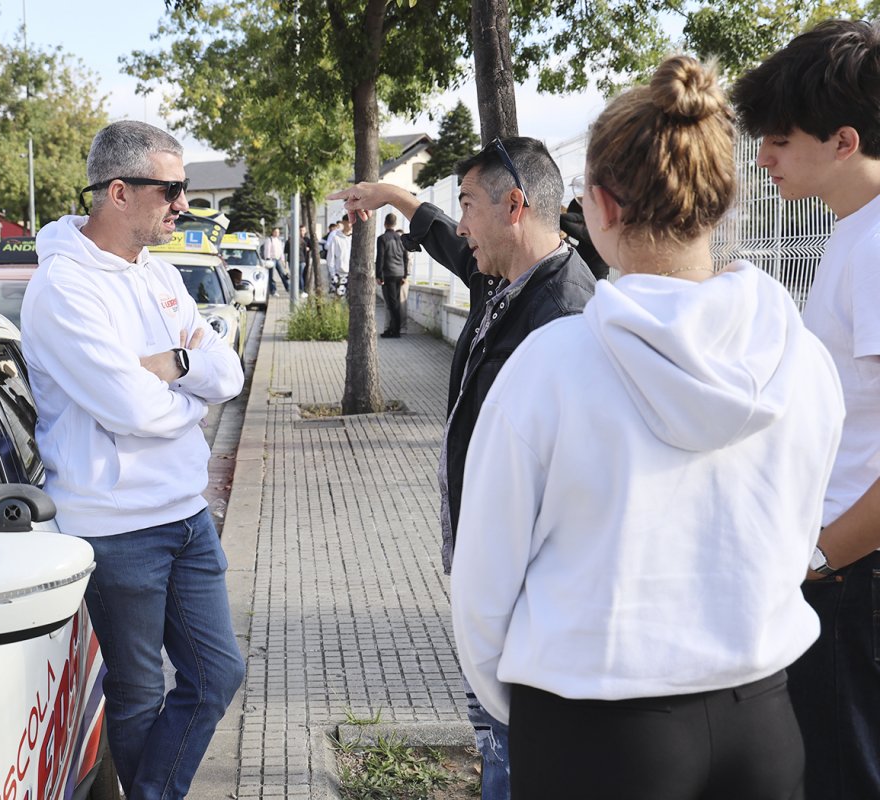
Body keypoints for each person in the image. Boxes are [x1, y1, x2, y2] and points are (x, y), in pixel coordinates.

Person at [451, 56, 844, 800]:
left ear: (597, 204)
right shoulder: (799, 358)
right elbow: (797, 536)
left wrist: (529, 709)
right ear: (723, 203)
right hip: (761, 718)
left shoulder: (550, 367)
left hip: (593, 728)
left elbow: (483, 590)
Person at [331, 135, 596, 798]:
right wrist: (391, 194)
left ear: (514, 206)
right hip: (494, 575)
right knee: (493, 738)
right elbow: (447, 238)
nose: (462, 225)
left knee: (513, 751)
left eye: (470, 206)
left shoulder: (565, 315)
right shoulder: (507, 274)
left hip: (530, 594)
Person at [19, 120, 246, 800]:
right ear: (119, 192)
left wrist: (173, 364)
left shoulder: (162, 275)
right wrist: (190, 398)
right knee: (139, 691)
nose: (184, 204)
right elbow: (132, 411)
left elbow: (226, 371)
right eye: (171, 190)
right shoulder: (64, 290)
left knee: (218, 674)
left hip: (185, 513)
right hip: (115, 528)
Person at [733, 20, 880, 799]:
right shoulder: (852, 235)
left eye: (780, 141)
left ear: (845, 141)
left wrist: (819, 557)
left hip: (855, 578)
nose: (762, 159)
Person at [375, 212, 409, 337]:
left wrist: (379, 275)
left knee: (392, 304)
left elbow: (381, 257)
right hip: (399, 274)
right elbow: (405, 258)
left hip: (388, 274)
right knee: (394, 303)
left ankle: (395, 331)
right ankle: (392, 329)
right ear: (395, 224)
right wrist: (405, 275)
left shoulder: (382, 238)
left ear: (385, 223)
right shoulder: (401, 238)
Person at [325, 214, 352, 290]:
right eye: (350, 222)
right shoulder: (336, 238)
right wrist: (333, 275)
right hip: (339, 274)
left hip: (352, 275)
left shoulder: (354, 238)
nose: (352, 225)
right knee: (339, 299)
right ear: (344, 222)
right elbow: (330, 258)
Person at [261, 226, 289, 295]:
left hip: (278, 259)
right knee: (272, 276)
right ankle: (273, 290)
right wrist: (267, 259)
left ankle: (288, 287)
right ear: (272, 232)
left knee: (283, 274)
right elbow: (267, 250)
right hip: (271, 259)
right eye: (276, 232)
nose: (277, 233)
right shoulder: (269, 239)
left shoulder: (279, 241)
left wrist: (283, 260)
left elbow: (281, 251)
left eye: (278, 232)